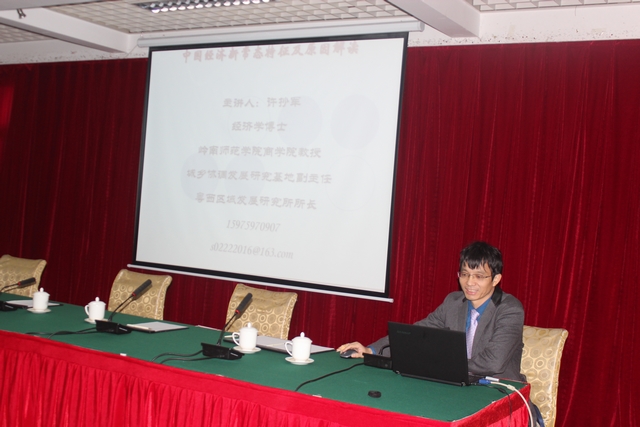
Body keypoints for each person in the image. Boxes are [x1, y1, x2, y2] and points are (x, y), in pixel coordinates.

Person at [337, 241, 525, 382]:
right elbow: (416, 335)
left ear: (495, 279)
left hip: (499, 391)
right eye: (465, 274)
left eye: (479, 276)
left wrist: (439, 365)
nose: (469, 282)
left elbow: (493, 362)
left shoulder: (510, 310)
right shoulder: (453, 302)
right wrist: (371, 350)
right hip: (457, 386)